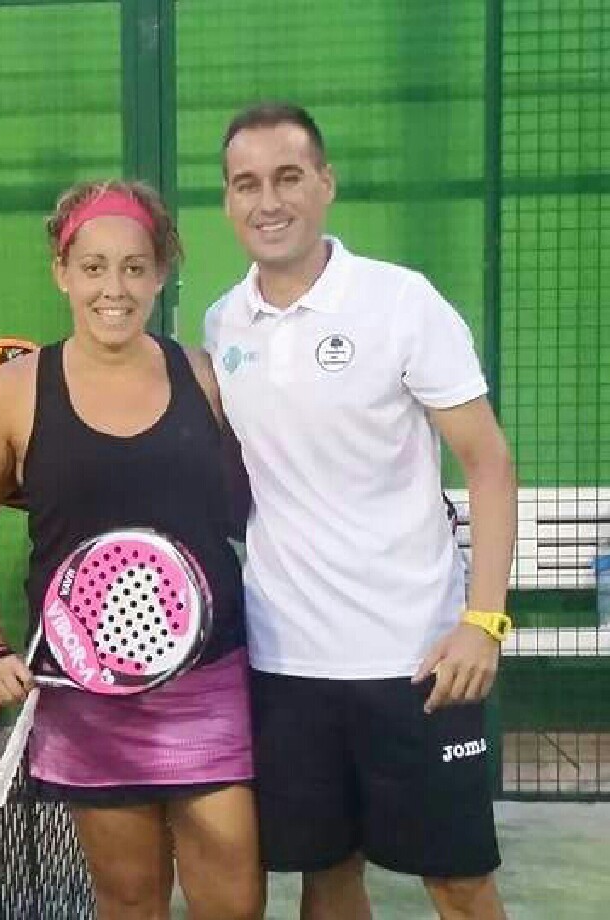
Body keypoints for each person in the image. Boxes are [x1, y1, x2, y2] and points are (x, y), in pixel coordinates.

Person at [204, 103, 517, 920]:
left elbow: (488, 463)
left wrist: (484, 622)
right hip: (287, 666)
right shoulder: (223, 323)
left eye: (288, 178)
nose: (268, 201)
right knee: (327, 876)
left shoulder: (401, 302)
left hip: (418, 662)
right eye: (247, 184)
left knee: (459, 883)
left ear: (326, 183)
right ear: (229, 201)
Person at [0, 179, 264, 920]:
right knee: (130, 902)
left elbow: (257, 504)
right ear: (61, 272)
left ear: (159, 273)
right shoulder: (11, 394)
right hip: (85, 700)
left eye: (133, 267)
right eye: (92, 267)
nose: (113, 288)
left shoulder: (205, 377)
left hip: (209, 685)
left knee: (236, 904)